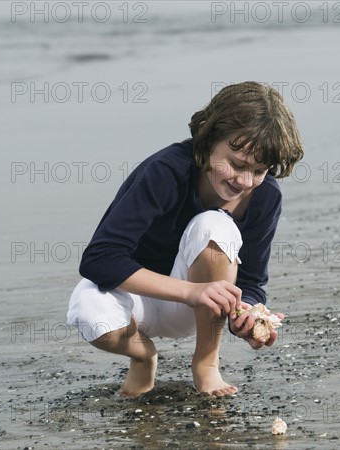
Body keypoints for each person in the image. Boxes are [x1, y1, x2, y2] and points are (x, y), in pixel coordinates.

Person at [67, 81, 304, 397]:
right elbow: (100, 258)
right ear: (207, 138)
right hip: (140, 300)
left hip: (198, 312)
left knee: (213, 226)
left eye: (259, 170)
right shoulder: (165, 171)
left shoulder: (264, 196)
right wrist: (192, 291)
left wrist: (247, 315)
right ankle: (142, 356)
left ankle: (206, 363)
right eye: (236, 164)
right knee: (87, 310)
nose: (246, 181)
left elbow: (251, 283)